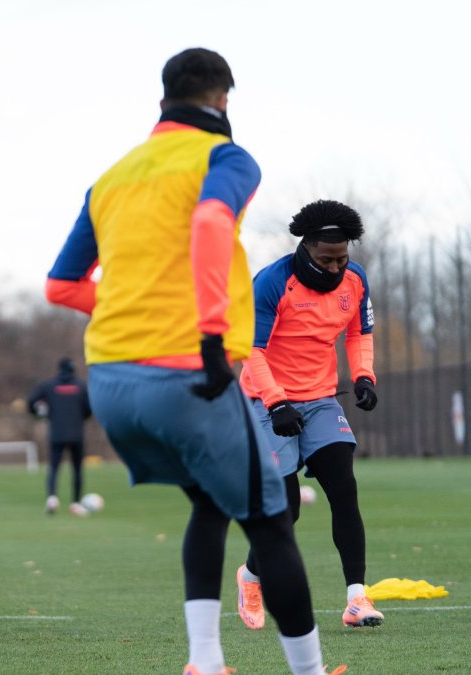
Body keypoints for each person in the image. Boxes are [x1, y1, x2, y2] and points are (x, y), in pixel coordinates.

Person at [45, 48, 342, 675]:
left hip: (112, 383)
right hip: (185, 374)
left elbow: (62, 286)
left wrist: (133, 304)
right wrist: (209, 333)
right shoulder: (226, 157)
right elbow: (210, 219)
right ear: (223, 100)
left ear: (163, 102)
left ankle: (205, 661)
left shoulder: (113, 177)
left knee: (210, 504)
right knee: (272, 522)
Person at [235, 200, 382, 632]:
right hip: (265, 400)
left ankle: (357, 598)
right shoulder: (271, 283)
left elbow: (359, 333)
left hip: (320, 399)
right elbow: (252, 351)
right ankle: (250, 577)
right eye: (326, 259)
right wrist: (277, 402)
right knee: (287, 510)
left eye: (342, 258)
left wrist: (364, 376)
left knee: (344, 487)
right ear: (306, 248)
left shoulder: (355, 281)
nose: (336, 268)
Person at [27, 357, 92, 516]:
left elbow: (31, 402)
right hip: (76, 433)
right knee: (77, 470)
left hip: (57, 433)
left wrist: (41, 414)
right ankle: (76, 503)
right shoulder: (80, 386)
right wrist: (79, 418)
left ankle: (52, 499)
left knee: (54, 468)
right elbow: (89, 408)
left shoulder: (49, 386)